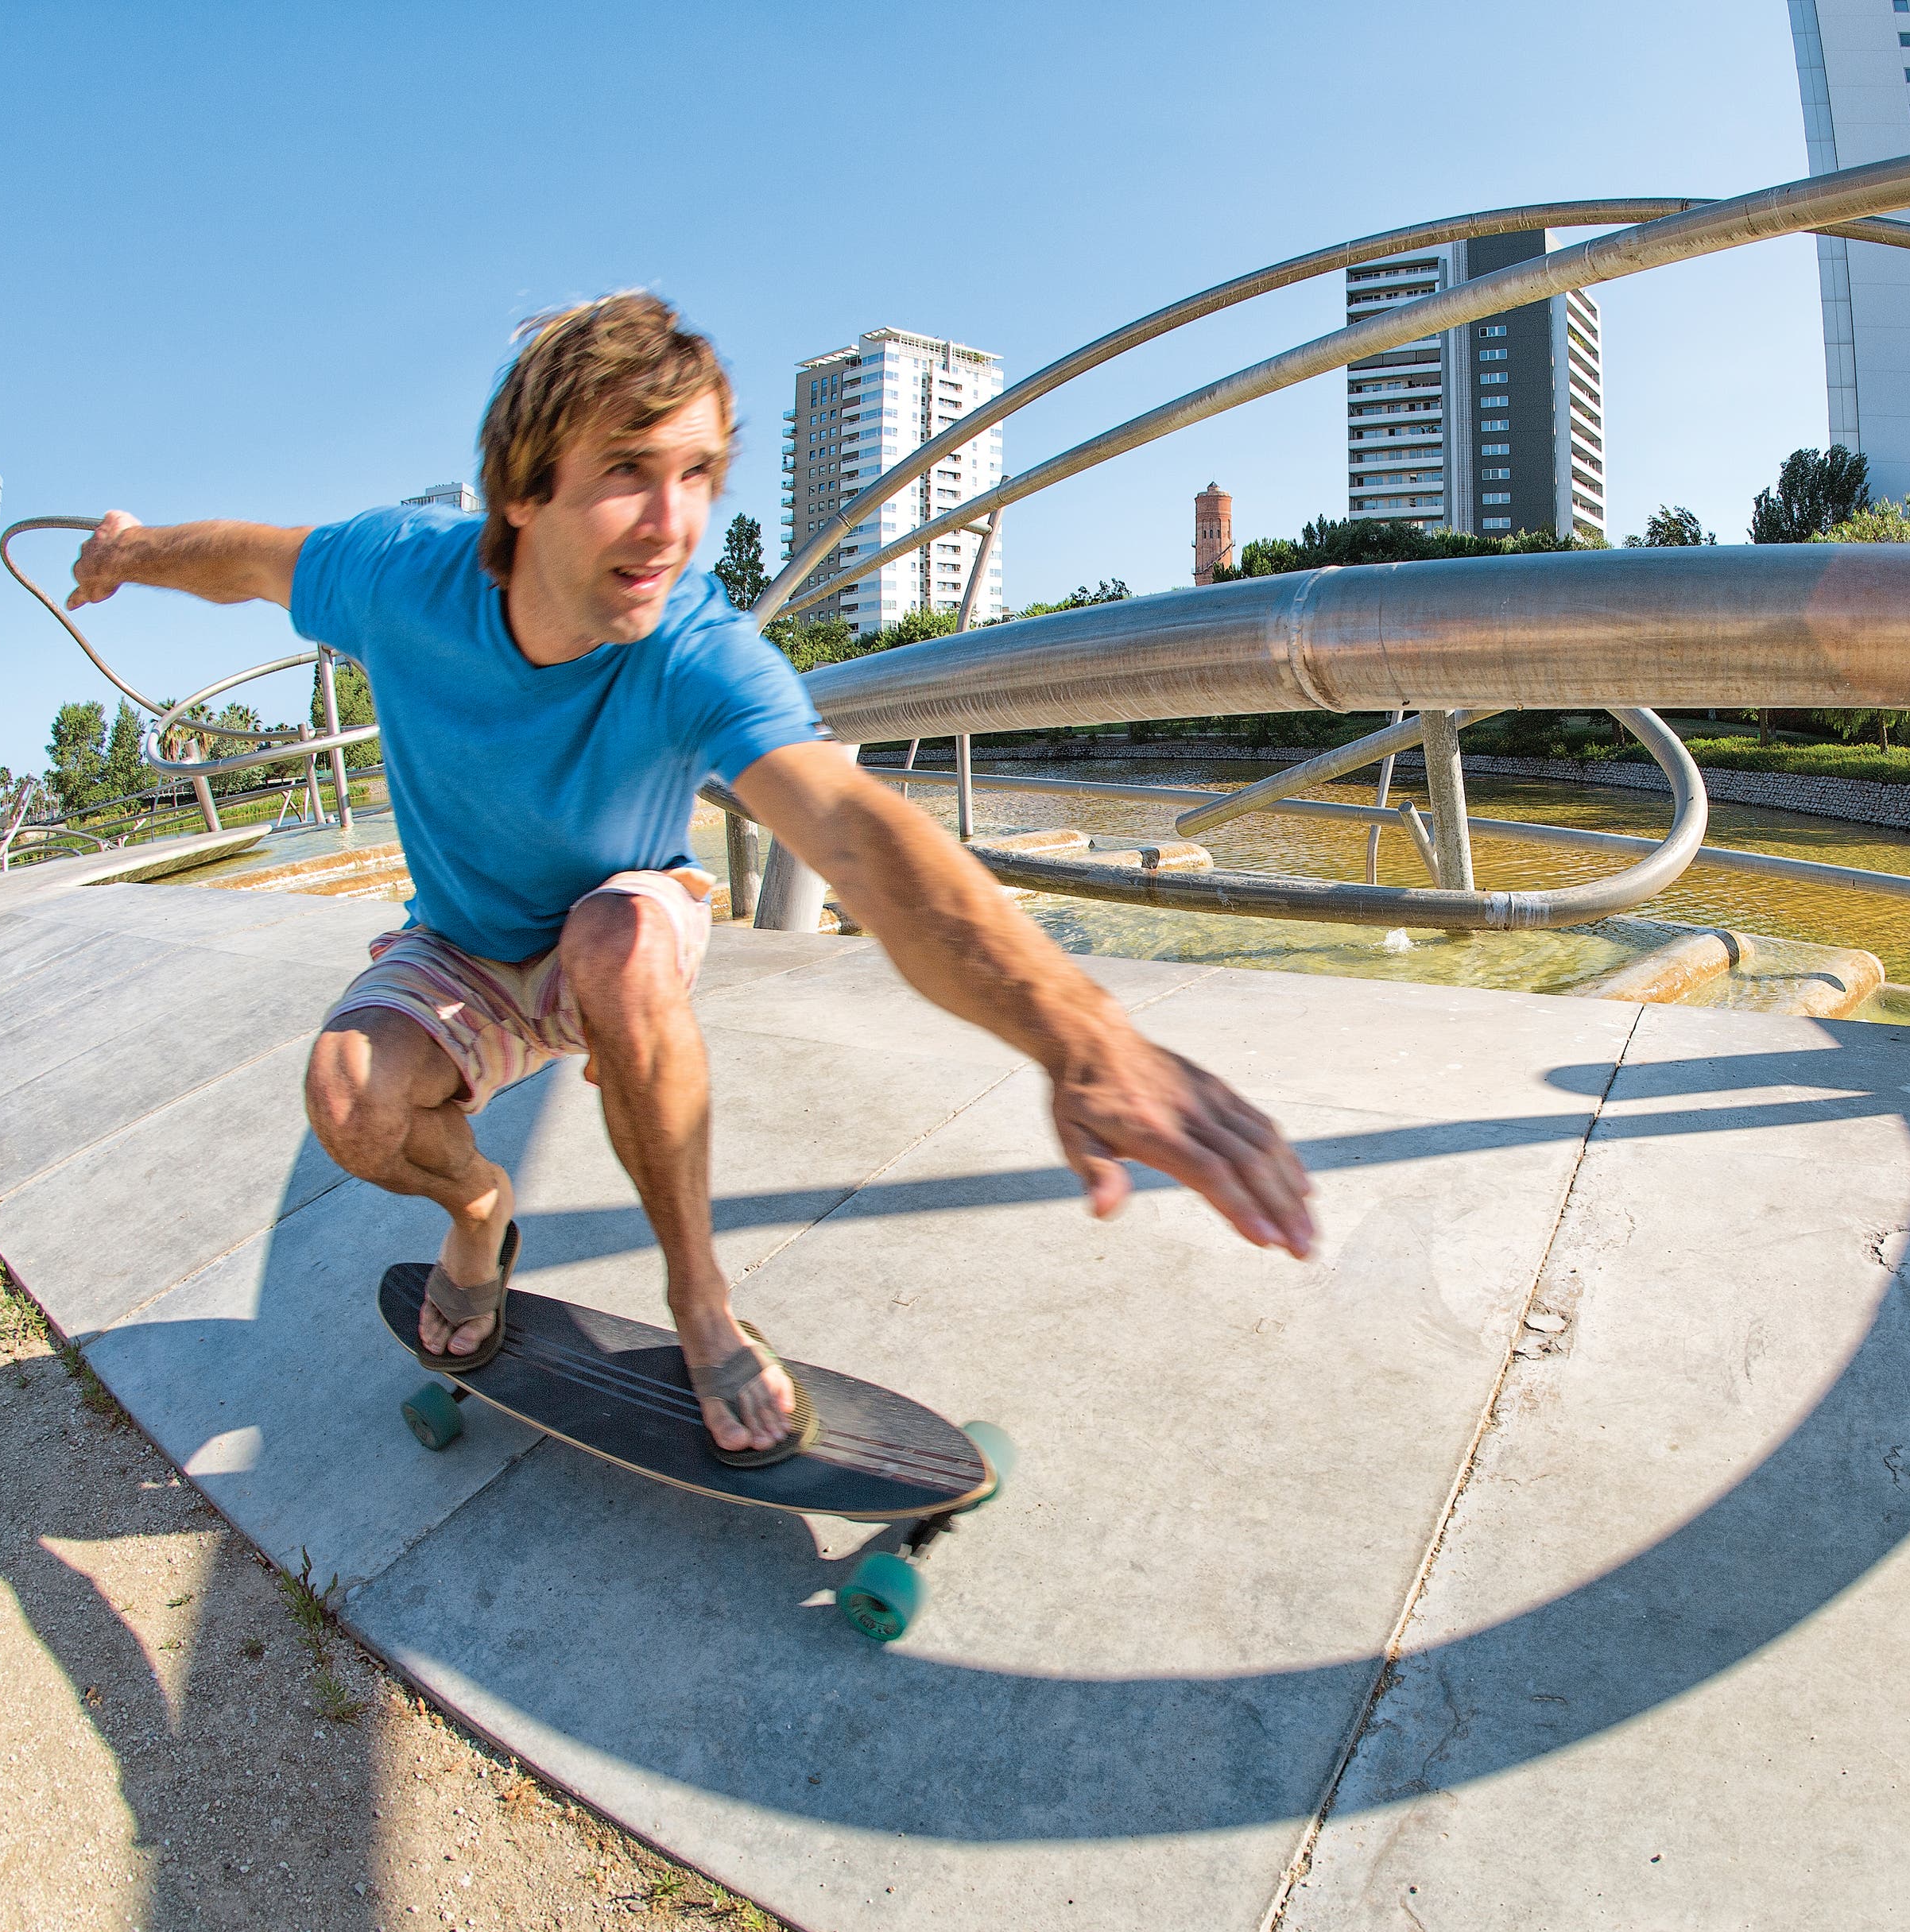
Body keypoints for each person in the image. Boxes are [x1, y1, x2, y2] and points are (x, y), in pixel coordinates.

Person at [64, 291, 1315, 1464]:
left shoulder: (699, 649)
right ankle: (481, 1211)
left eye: (698, 475)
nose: (671, 526)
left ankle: (703, 1302)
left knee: (615, 939)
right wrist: (130, 548)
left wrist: (1075, 1028)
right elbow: (244, 560)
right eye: (625, 473)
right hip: (462, 953)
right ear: (522, 490)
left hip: (626, 922)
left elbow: (857, 836)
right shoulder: (401, 576)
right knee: (349, 1100)